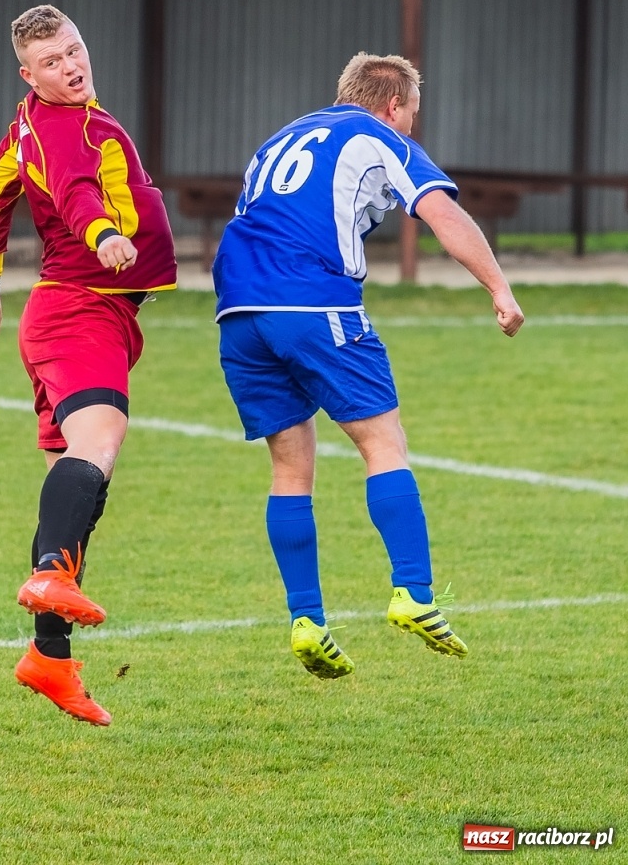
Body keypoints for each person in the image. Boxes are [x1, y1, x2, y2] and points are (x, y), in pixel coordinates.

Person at [212, 52, 524, 679]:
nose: (412, 127)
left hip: (237, 311)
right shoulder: (378, 135)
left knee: (291, 464)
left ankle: (307, 620)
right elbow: (443, 213)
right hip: (312, 302)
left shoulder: (286, 134)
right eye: (412, 114)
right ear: (392, 105)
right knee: (383, 442)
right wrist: (500, 288)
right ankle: (414, 592)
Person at [0, 4, 177, 725]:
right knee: (99, 444)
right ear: (29, 73)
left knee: (78, 469)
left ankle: (49, 656)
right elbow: (80, 189)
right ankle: (53, 575)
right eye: (53, 62)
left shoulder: (30, 123)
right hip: (79, 305)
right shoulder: (69, 127)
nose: (72, 66)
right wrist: (103, 232)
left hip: (88, 312)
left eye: (75, 50)